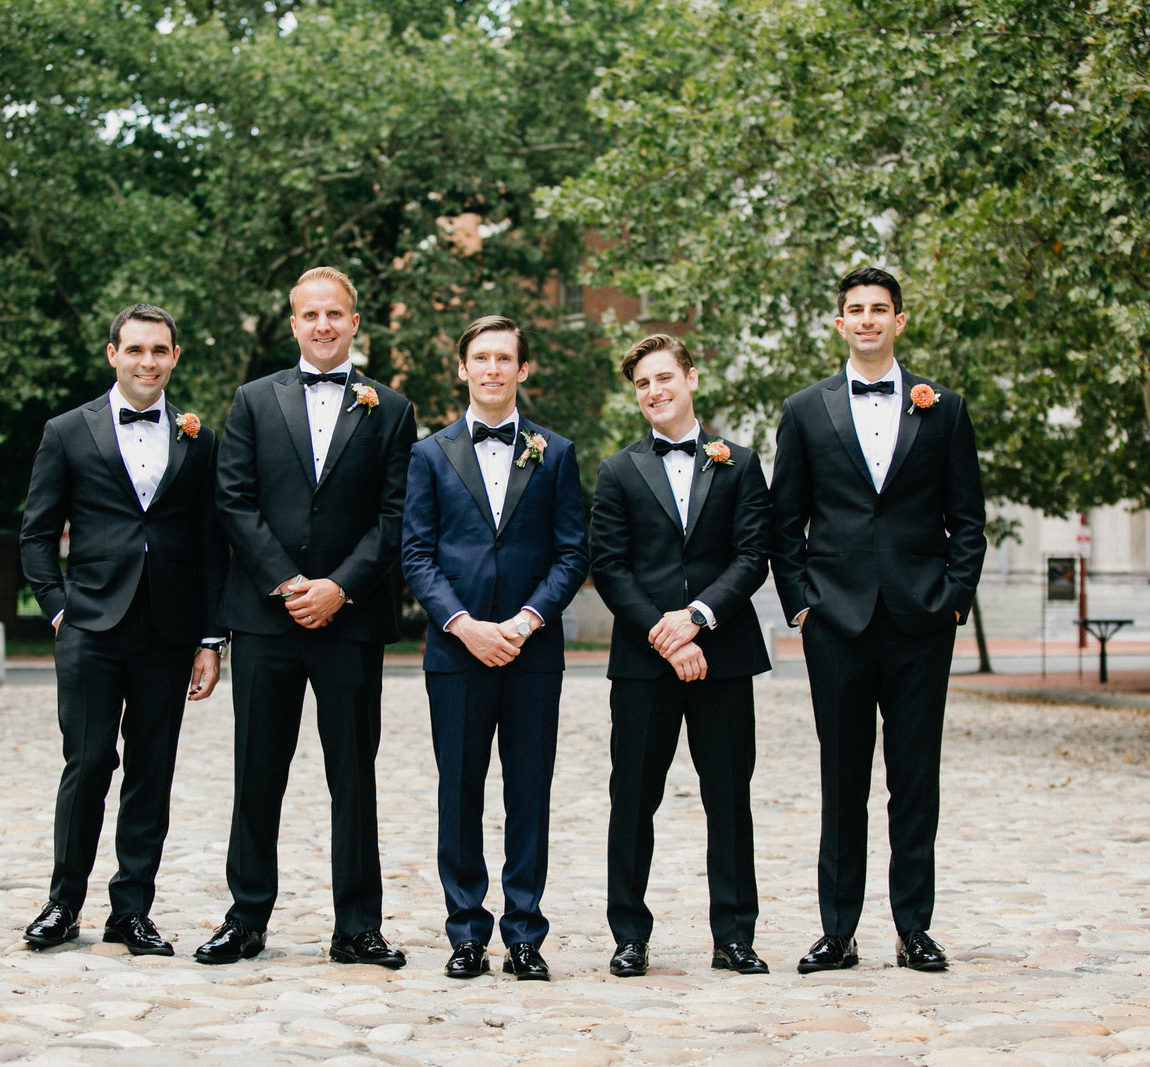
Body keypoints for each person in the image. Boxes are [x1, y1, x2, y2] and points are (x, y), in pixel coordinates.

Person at [197, 267, 417, 969]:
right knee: (256, 771)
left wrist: (340, 587)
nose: (323, 324)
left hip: (350, 623)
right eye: (309, 314)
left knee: (353, 775)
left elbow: (395, 515)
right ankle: (246, 917)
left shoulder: (391, 407)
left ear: (356, 322)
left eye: (335, 313)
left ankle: (358, 924)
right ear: (293, 323)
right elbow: (232, 499)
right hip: (266, 620)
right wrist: (290, 583)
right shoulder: (254, 400)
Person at [769, 266, 986, 973]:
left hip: (921, 619)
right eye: (855, 309)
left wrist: (953, 597)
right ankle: (838, 930)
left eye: (879, 309)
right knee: (843, 779)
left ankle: (913, 928)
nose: (867, 319)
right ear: (839, 323)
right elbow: (784, 522)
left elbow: (969, 520)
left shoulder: (944, 408)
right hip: (837, 621)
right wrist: (802, 603)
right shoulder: (804, 410)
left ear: (899, 320)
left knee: (916, 779)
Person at [18, 303, 226, 956]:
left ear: (174, 357)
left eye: (159, 350)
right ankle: (63, 903)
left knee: (151, 771)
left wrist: (211, 638)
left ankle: (131, 910)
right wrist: (59, 608)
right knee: (87, 763)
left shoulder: (199, 438)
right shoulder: (67, 430)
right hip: (91, 628)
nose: (147, 361)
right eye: (135, 349)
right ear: (113, 353)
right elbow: (36, 532)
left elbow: (211, 543)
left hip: (169, 631)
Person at [401, 314, 589, 981]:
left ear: (522, 369)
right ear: (463, 367)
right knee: (460, 790)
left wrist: (528, 619)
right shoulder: (429, 454)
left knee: (529, 790)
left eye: (504, 358)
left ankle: (525, 931)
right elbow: (416, 554)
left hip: (532, 652)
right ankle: (466, 931)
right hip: (455, 654)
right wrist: (463, 625)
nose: (492, 369)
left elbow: (572, 552)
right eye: (481, 357)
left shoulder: (555, 452)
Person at [589, 333, 772, 979]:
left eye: (664, 377)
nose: (654, 391)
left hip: (723, 657)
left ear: (690, 377)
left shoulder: (741, 463)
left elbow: (753, 555)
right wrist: (666, 637)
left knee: (729, 797)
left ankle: (734, 935)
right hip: (643, 665)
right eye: (642, 383)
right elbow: (609, 568)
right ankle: (629, 934)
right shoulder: (616, 470)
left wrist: (697, 620)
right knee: (633, 797)